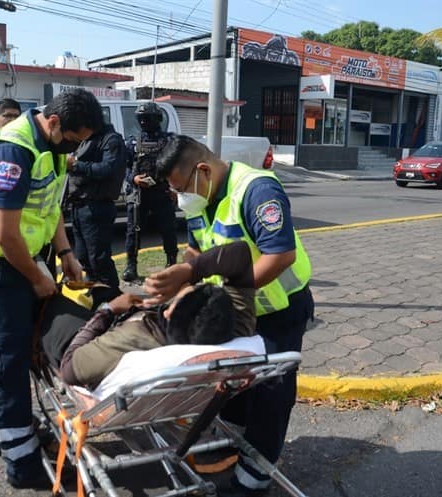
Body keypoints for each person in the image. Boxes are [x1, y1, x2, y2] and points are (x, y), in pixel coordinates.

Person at [147, 135, 314, 497]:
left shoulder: (255, 190)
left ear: (203, 170)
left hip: (279, 310)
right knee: (231, 383)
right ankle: (236, 442)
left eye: (181, 188)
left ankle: (255, 478)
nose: (180, 197)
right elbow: (196, 249)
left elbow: (278, 255)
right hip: (237, 308)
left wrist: (210, 284)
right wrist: (182, 285)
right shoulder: (200, 199)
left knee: (271, 393)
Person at [0, 91, 85, 490]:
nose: (75, 147)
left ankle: (7, 432)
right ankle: (23, 466)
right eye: (73, 138)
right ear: (53, 123)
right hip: (0, 267)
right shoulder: (12, 152)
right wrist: (36, 277)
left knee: (21, 356)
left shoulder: (49, 146)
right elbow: (6, 234)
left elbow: (51, 206)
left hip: (27, 260)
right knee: (6, 364)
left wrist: (65, 252)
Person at [60, 240, 256, 390]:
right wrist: (190, 270)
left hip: (100, 333)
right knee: (101, 290)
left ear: (170, 312)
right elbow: (242, 254)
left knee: (60, 307)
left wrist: (107, 310)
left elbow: (68, 370)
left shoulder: (129, 339)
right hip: (140, 322)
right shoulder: (237, 329)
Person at [66, 89, 127, 287]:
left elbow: (107, 169)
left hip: (97, 206)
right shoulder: (84, 139)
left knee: (99, 259)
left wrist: (75, 165)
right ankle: (96, 293)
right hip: (79, 205)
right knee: (84, 257)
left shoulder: (111, 140)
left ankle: (112, 298)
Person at [122, 102, 178, 282]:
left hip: (162, 191)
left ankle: (172, 262)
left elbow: (177, 167)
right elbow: (124, 168)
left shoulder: (170, 141)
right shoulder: (132, 142)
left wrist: (175, 188)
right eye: (142, 118)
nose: (144, 122)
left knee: (168, 229)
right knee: (133, 230)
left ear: (158, 119)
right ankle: (131, 265)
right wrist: (134, 179)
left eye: (148, 118)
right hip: (139, 194)